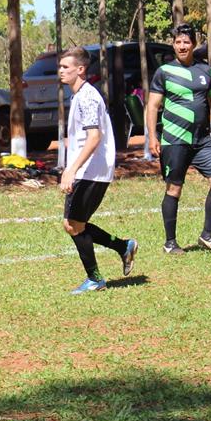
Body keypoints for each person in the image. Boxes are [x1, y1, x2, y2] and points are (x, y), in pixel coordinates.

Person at [146, 24, 211, 255]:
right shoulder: (164, 72)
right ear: (173, 45)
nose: (182, 46)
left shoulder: (206, 71)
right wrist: (153, 137)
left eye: (186, 42)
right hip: (175, 139)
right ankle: (170, 243)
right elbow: (153, 106)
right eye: (178, 42)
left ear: (194, 44)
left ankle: (207, 236)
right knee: (174, 188)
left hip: (203, 139)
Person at [58, 47, 138, 295]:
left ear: (80, 69)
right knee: (75, 224)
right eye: (60, 67)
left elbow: (94, 137)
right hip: (90, 169)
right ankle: (124, 246)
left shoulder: (88, 97)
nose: (60, 71)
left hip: (91, 171)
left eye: (66, 67)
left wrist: (72, 169)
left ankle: (96, 278)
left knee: (72, 224)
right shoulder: (78, 95)